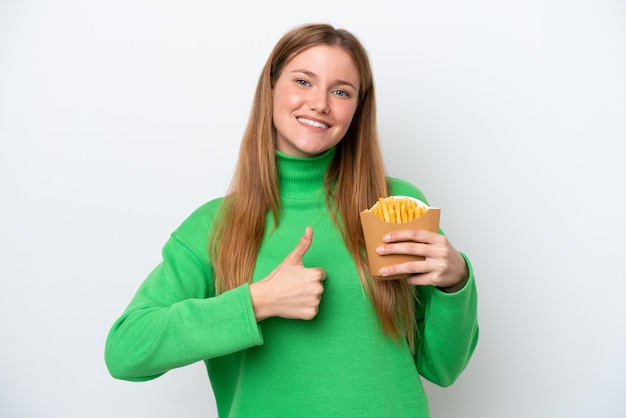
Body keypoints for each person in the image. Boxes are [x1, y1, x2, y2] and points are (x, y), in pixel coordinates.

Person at [105, 23, 478, 417]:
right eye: (303, 81)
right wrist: (258, 301)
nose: (320, 103)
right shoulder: (213, 227)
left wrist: (456, 281)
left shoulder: (395, 207)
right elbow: (126, 351)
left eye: (341, 91)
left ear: (357, 108)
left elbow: (442, 368)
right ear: (270, 88)